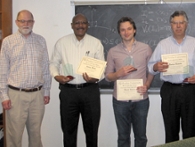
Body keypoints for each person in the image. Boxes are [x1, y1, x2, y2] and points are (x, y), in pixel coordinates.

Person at [148, 10, 195, 143]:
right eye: (175, 23)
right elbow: (150, 67)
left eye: (181, 23)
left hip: (190, 90)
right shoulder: (162, 44)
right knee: (171, 131)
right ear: (170, 25)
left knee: (190, 131)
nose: (178, 26)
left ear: (186, 24)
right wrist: (156, 67)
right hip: (170, 91)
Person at [49, 13, 104, 147]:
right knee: (68, 131)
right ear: (72, 26)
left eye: (83, 23)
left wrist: (94, 78)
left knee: (91, 131)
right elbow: (53, 63)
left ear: (88, 25)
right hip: (69, 92)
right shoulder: (62, 43)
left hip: (90, 91)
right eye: (77, 23)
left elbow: (101, 68)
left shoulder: (96, 43)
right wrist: (57, 76)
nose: (80, 25)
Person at [0, 10, 51, 147]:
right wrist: (4, 96)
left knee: (36, 135)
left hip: (37, 95)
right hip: (16, 95)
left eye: (29, 21)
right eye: (22, 21)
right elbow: (3, 71)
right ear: (17, 22)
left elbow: (46, 67)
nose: (26, 24)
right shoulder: (8, 42)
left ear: (33, 23)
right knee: (14, 137)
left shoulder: (41, 41)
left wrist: (46, 92)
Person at [105, 17, 154, 147]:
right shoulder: (112, 52)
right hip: (120, 102)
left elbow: (152, 71)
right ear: (119, 32)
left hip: (141, 101)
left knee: (141, 138)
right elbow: (107, 76)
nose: (126, 32)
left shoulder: (146, 49)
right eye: (123, 30)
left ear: (134, 30)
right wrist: (118, 74)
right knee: (123, 138)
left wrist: (147, 85)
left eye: (129, 29)